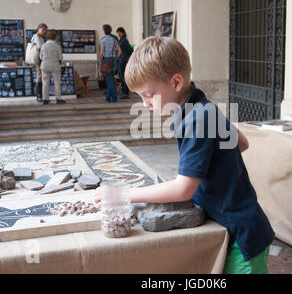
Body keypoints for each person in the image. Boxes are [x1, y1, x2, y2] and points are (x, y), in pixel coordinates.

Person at [94, 36, 275, 274]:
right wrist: (212, 167)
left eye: (148, 94)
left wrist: (124, 194)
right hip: (237, 226)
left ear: (176, 82)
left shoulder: (197, 119)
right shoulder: (203, 107)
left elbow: (183, 189)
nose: (145, 103)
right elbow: (241, 143)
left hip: (242, 238)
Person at [39, 30, 65, 105]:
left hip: (44, 66)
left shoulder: (43, 46)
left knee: (45, 83)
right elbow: (60, 58)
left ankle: (45, 99)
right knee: (56, 82)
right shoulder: (57, 46)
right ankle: (58, 99)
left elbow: (40, 57)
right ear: (55, 37)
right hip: (55, 66)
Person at [100, 24, 122, 102]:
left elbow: (101, 53)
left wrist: (100, 60)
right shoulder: (114, 39)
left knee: (109, 80)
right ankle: (107, 98)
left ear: (104, 31)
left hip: (106, 60)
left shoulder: (103, 40)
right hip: (113, 60)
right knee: (111, 79)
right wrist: (116, 56)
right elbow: (119, 51)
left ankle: (114, 98)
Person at [32, 23, 48, 102]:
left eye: (45, 30)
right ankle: (39, 96)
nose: (44, 31)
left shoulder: (41, 38)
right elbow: (41, 47)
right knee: (39, 76)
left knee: (41, 76)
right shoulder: (36, 37)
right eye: (43, 30)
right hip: (37, 59)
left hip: (41, 58)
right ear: (39, 28)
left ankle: (41, 95)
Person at [116, 27, 132, 99]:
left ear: (123, 33)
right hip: (121, 60)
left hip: (123, 61)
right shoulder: (121, 40)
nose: (118, 34)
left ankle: (125, 93)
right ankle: (124, 92)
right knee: (122, 77)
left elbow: (117, 48)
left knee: (123, 78)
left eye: (120, 32)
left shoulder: (124, 41)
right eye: (117, 32)